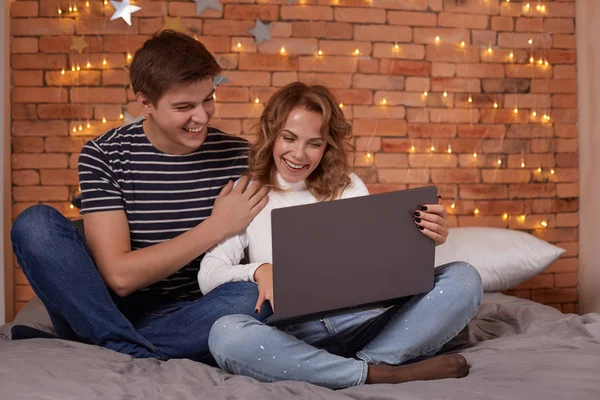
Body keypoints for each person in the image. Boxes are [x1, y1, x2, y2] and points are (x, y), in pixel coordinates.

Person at [9, 30, 271, 364]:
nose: (203, 117)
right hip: (103, 308)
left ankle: (109, 347)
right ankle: (124, 343)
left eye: (208, 98)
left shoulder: (239, 156)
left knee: (258, 294)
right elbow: (119, 278)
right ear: (145, 102)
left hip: (194, 312)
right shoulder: (104, 154)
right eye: (184, 106)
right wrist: (216, 226)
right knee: (35, 225)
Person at [198, 82, 483, 389]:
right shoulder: (250, 193)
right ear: (272, 135)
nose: (298, 154)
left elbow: (377, 263)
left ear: (327, 146)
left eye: (314, 144)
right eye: (289, 138)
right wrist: (258, 270)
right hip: (292, 332)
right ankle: (378, 372)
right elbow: (208, 276)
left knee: (465, 278)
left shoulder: (347, 186)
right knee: (226, 333)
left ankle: (356, 365)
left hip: (363, 323)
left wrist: (425, 239)